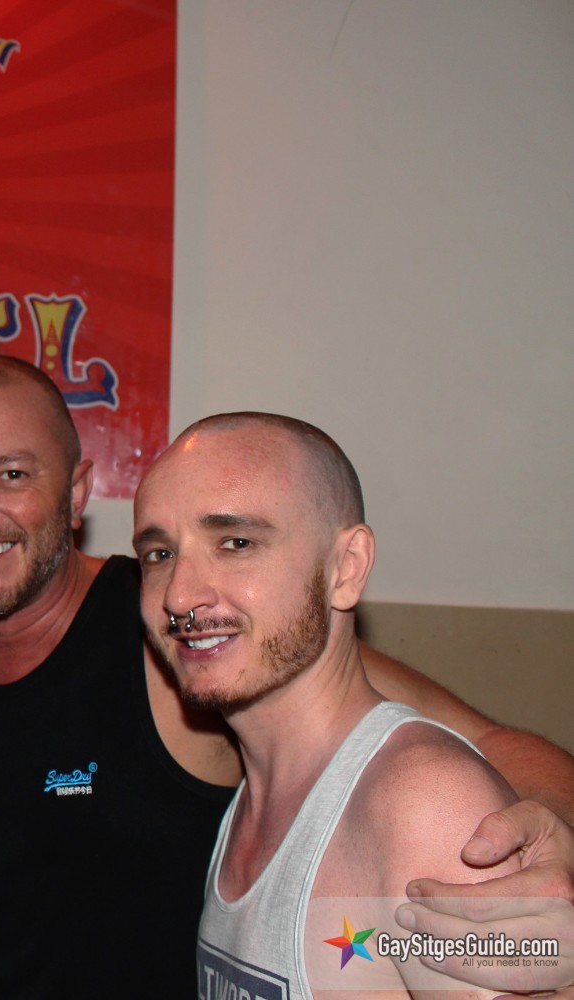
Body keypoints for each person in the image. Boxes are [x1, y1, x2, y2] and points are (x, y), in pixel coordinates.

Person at [0, 355, 574, 998]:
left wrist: (545, 847)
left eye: (11, 474)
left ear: (75, 495)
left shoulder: (181, 637)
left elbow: (463, 747)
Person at [133, 412, 528, 997]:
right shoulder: (254, 797)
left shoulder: (425, 805)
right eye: (160, 554)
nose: (179, 595)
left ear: (347, 568)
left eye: (236, 543)